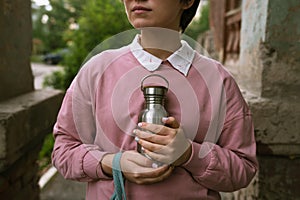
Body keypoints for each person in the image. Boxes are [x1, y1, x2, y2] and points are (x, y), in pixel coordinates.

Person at [52, 0, 258, 199]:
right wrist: (111, 163)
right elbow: (64, 150)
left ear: (186, 1)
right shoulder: (97, 70)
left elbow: (243, 169)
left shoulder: (218, 79)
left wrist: (189, 154)